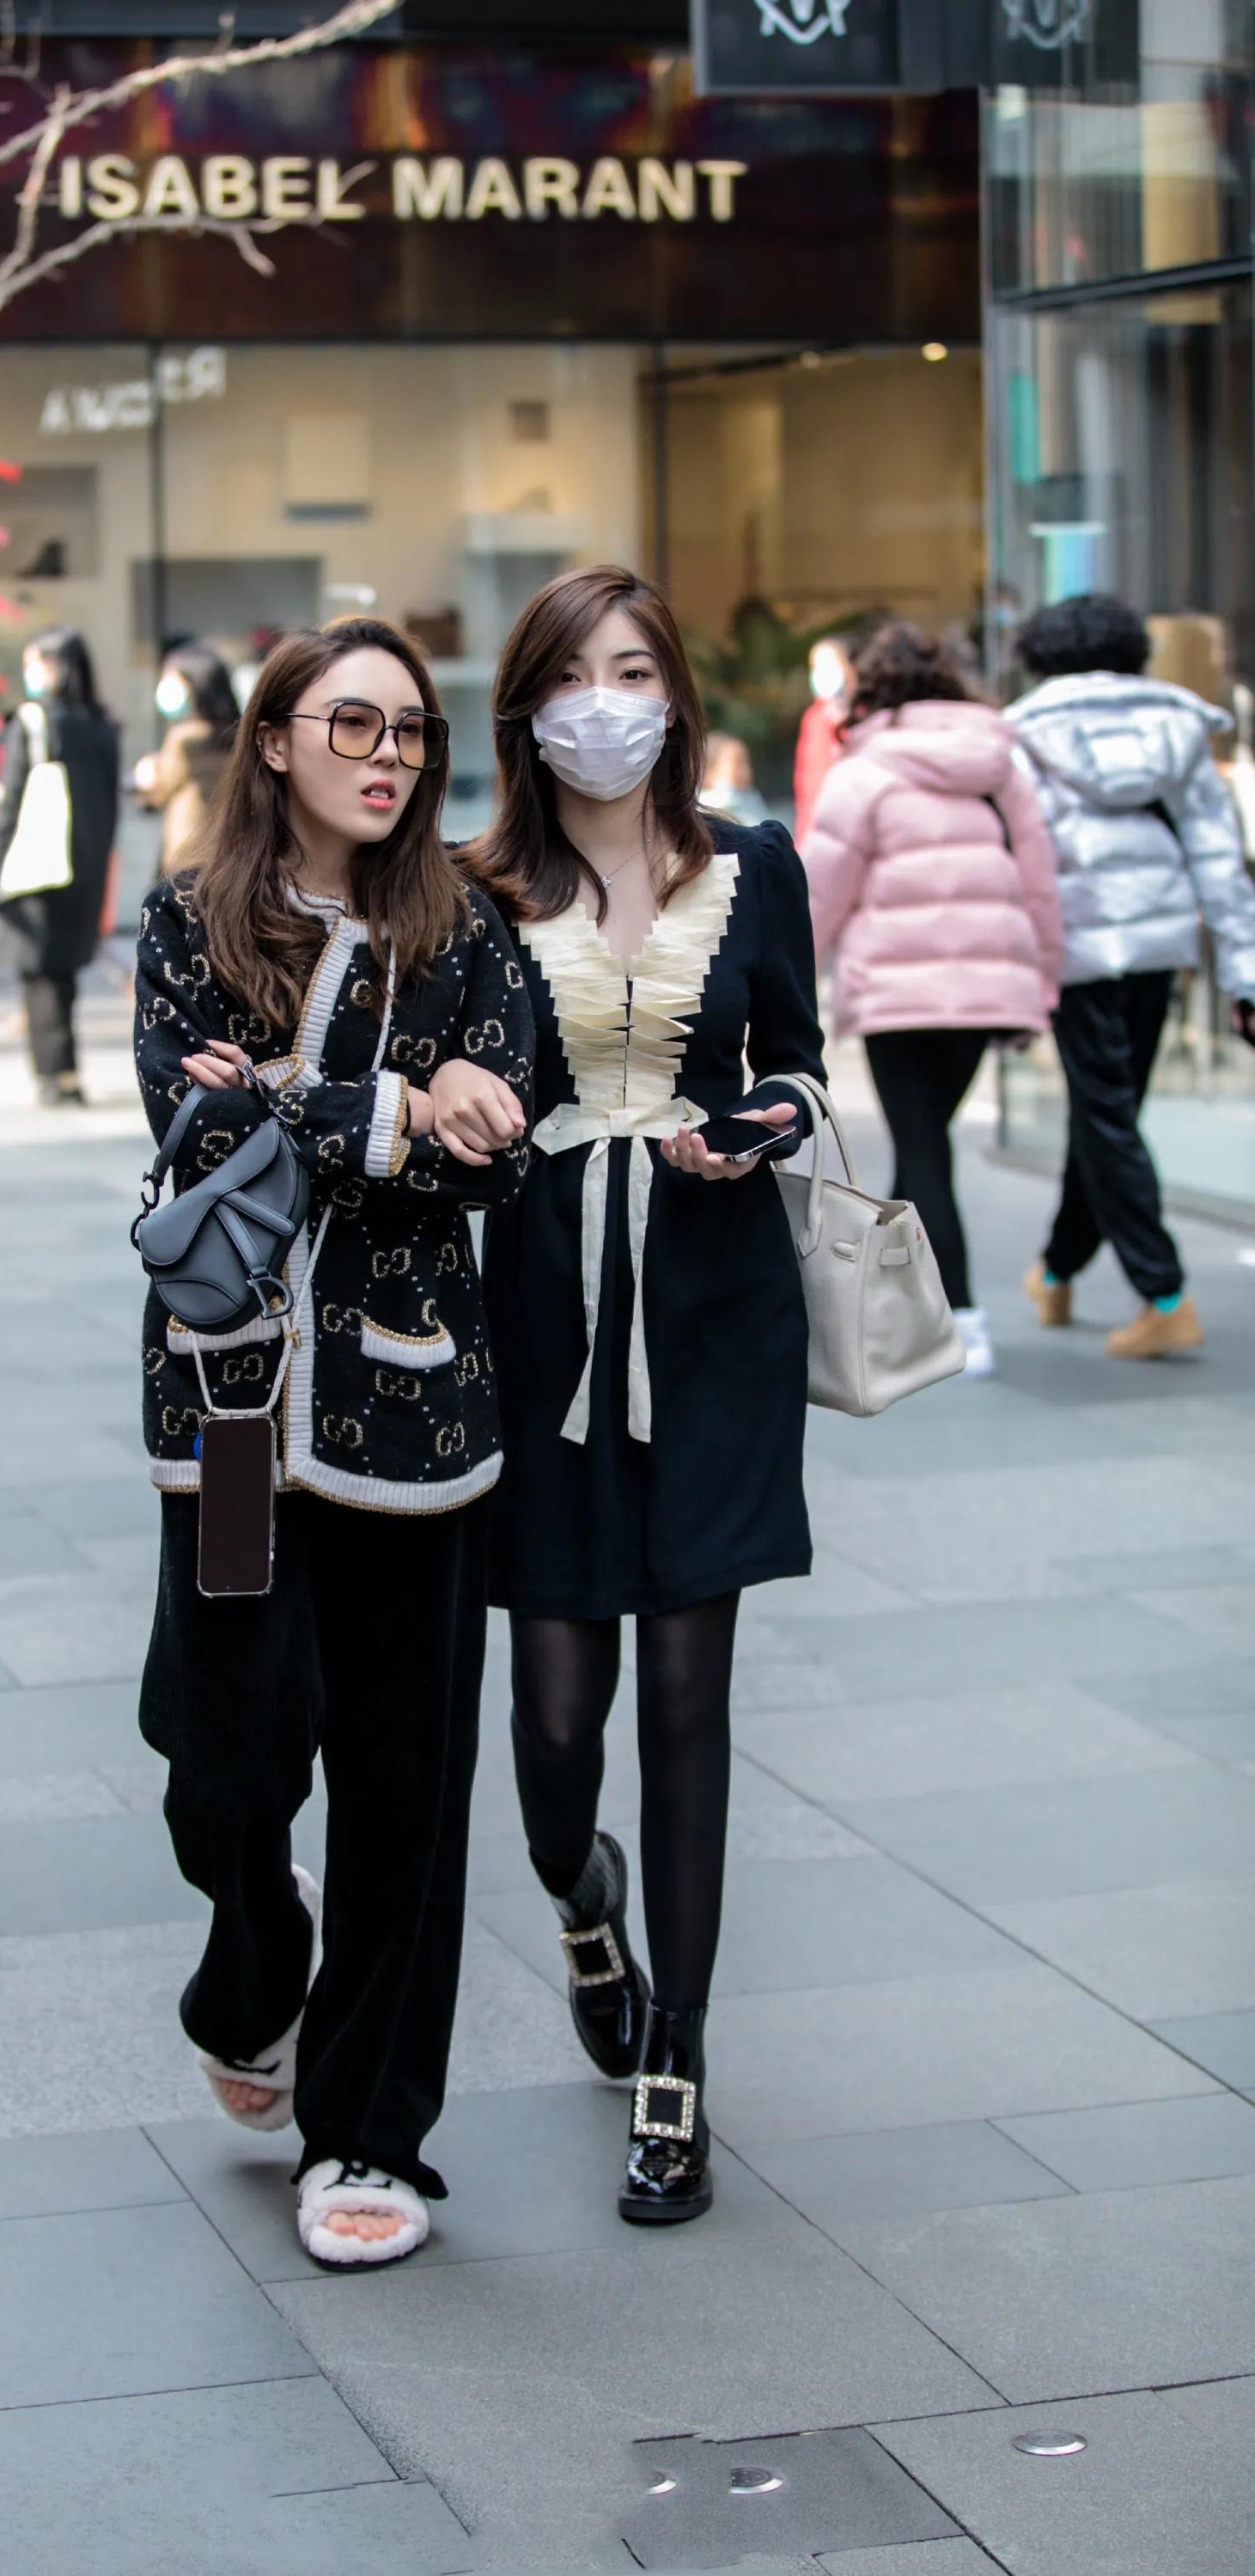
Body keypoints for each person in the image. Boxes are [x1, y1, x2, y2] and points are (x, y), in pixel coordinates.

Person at [133, 616, 533, 2269]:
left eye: (414, 734)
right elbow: (194, 1114)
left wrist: (401, 1113)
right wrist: (389, 1105)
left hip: (415, 1416)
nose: (388, 755)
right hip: (233, 1421)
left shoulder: (474, 937)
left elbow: (494, 1156)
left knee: (401, 1776)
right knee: (225, 1742)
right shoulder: (190, 923)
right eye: (352, 723)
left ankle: (372, 2129)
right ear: (277, 740)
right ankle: (249, 1971)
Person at [468, 565, 824, 2227]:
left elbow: (801, 1063)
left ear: (674, 690)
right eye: (574, 672)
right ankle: (580, 1903)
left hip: (714, 1312)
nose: (607, 698)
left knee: (689, 1694)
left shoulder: (757, 863)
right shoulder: (469, 889)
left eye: (633, 667)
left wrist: (747, 1125)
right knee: (554, 1724)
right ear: (528, 703)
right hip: (539, 1323)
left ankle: (674, 2057)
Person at [801, 620, 1064, 1378]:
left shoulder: (864, 768)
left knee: (924, 1153)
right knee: (924, 1154)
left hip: (898, 996)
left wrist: (785, 981)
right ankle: (885, 1309)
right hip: (986, 996)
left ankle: (962, 1321)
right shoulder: (996, 762)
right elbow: (1039, 874)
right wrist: (1040, 979)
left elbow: (823, 892)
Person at [1007, 593, 1255, 1358]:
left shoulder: (1024, 734)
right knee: (1108, 1115)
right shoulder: (1177, 725)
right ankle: (1057, 1269)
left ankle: (1164, 1294)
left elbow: (1025, 856)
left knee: (1105, 1116)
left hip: (1075, 950)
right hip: (1159, 944)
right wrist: (1244, 975)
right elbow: (1219, 857)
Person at [0, 627, 120, 1107]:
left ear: (54, 666)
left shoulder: (32, 720)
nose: (30, 674)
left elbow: (9, 801)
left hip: (38, 863)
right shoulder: (102, 725)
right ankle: (66, 1072)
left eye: (35, 663)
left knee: (38, 971)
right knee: (63, 971)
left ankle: (56, 1075)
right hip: (85, 863)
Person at [133, 641, 241, 876]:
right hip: (230, 852)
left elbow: (159, 791)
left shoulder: (184, 738)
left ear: (194, 685)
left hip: (185, 850)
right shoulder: (239, 734)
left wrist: (147, 774)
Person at [794, 632, 853, 841]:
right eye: (816, 666)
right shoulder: (813, 718)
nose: (822, 672)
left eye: (830, 664)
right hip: (816, 829)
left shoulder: (860, 717)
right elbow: (806, 782)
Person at [700, 730, 768, 826]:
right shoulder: (706, 810)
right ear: (710, 771)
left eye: (747, 763)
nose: (746, 770)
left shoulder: (751, 799)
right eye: (737, 763)